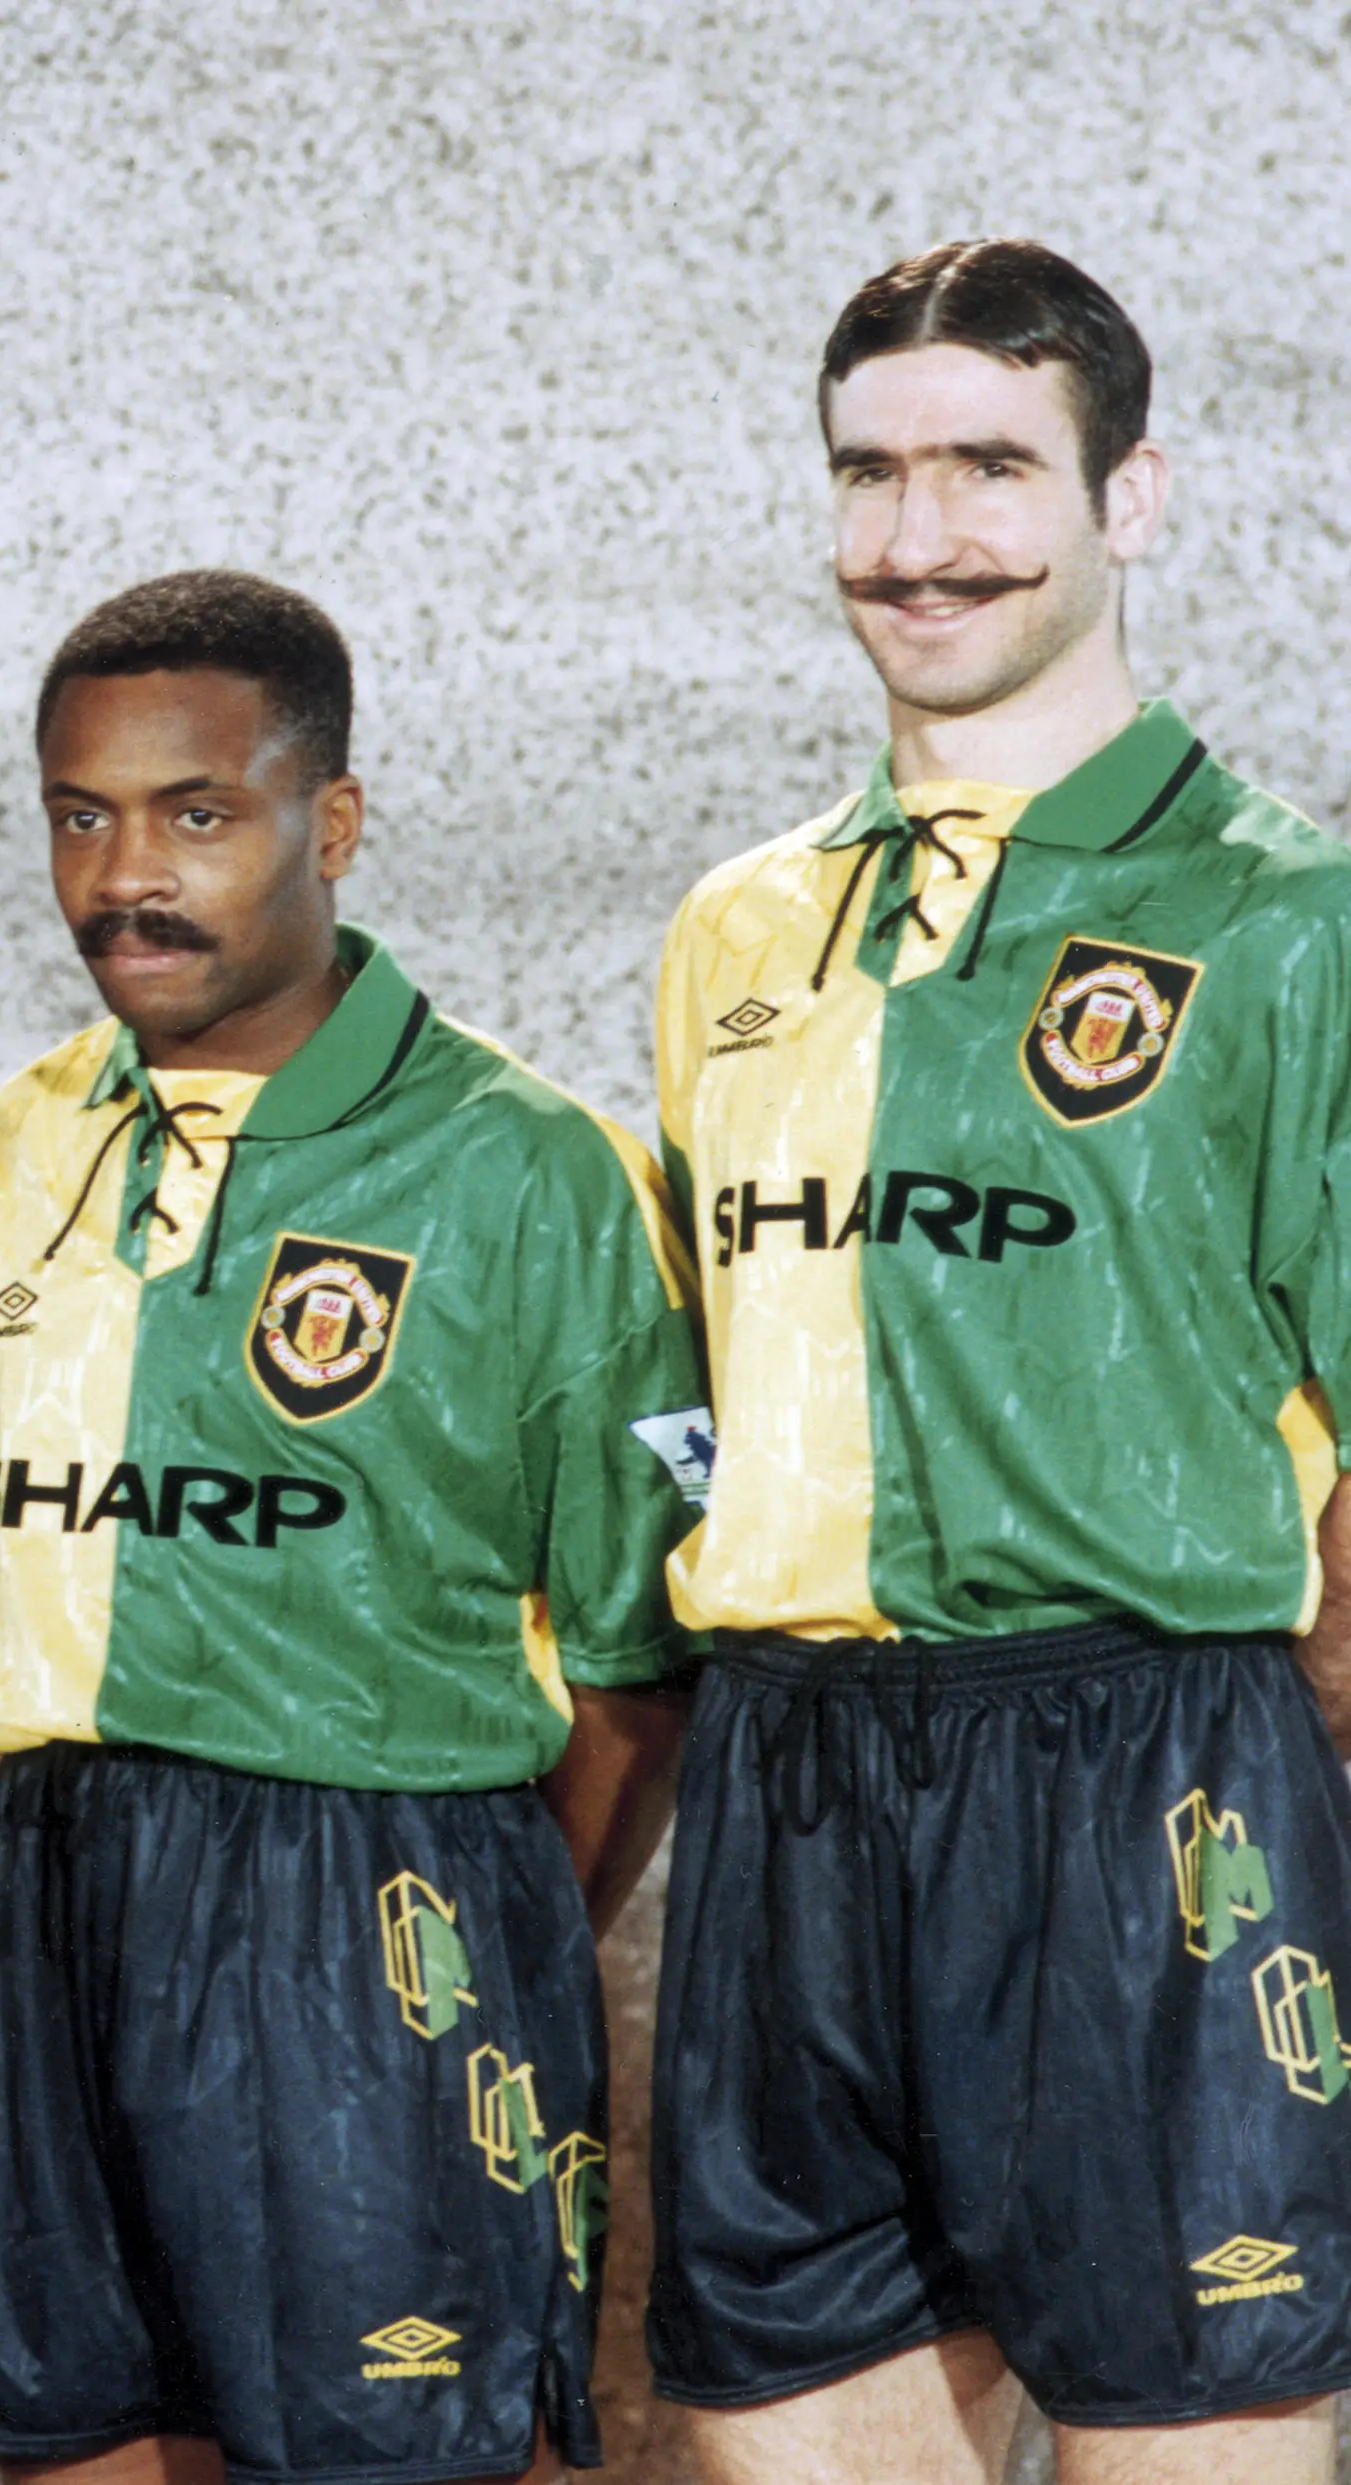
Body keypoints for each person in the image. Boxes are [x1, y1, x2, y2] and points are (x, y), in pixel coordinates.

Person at [649, 238, 1351, 2485]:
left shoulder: (1282, 919)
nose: (919, 535)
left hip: (1151, 1767)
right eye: (870, 473)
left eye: (988, 467)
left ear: (1128, 499)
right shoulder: (738, 928)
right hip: (786, 1789)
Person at [0, 570, 704, 2485]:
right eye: (80, 815)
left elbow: (639, 1667)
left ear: (330, 822)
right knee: (86, 2444)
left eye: (198, 815)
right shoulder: (2, 1140)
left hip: (383, 1902)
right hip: (63, 1885)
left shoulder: (537, 1171)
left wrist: (467, 1948)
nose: (129, 873)